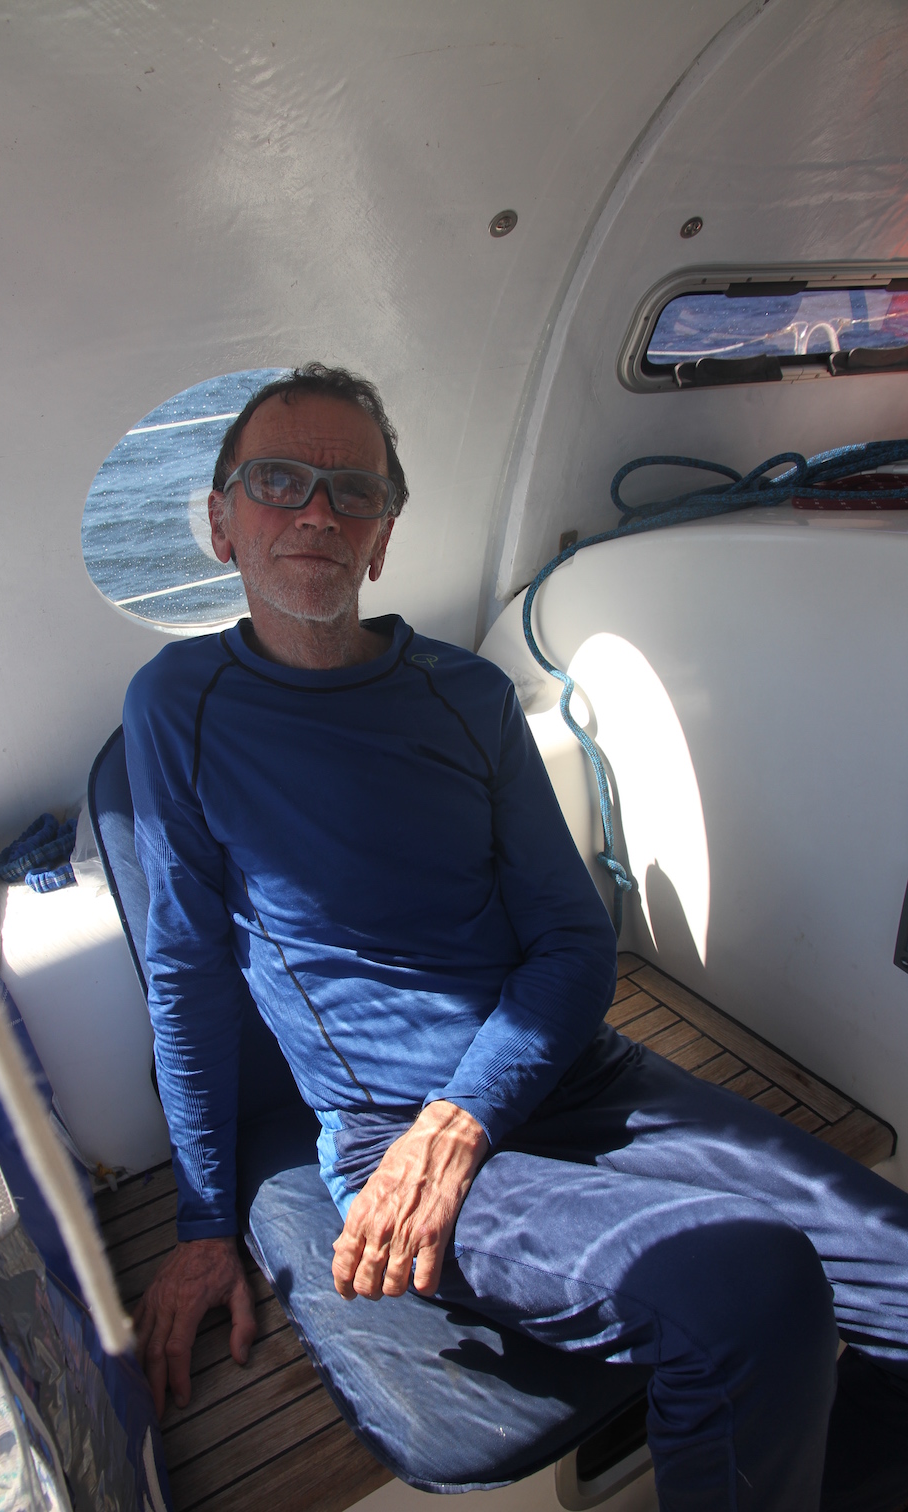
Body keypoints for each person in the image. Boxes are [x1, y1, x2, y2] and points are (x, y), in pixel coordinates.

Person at [123, 364, 908, 1511]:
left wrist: (471, 1113)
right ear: (221, 521)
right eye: (278, 481)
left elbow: (573, 942)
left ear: (383, 538)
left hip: (576, 1080)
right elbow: (188, 975)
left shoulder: (470, 697)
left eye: (353, 491)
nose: (317, 513)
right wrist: (204, 1225)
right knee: (752, 1291)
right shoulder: (177, 706)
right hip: (392, 1134)